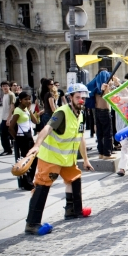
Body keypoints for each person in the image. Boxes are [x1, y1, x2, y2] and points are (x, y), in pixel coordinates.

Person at [24, 83, 94, 235]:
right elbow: (46, 129)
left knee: (74, 178)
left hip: (67, 159)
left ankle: (73, 211)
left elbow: (81, 138)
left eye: (84, 97)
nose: (81, 100)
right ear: (70, 98)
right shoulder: (62, 113)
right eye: (78, 97)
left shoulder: (81, 114)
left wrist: (86, 160)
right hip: (51, 158)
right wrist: (36, 145)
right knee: (42, 186)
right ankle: (32, 223)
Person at [9, 91, 40, 190]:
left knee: (34, 158)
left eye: (29, 99)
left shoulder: (26, 109)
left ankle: (30, 180)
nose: (28, 101)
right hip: (22, 137)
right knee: (25, 160)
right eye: (25, 99)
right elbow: (10, 127)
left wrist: (30, 110)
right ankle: (27, 183)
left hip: (29, 136)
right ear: (20, 100)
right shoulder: (18, 111)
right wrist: (16, 138)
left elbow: (35, 121)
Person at [87, 68, 115, 160]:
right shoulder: (103, 87)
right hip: (105, 111)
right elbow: (109, 96)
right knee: (107, 133)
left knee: (100, 134)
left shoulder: (95, 86)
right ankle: (107, 154)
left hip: (97, 111)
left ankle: (101, 153)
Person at [0, 81, 16, 156]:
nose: (5, 87)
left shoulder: (11, 95)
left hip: (9, 118)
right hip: (4, 118)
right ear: (1, 87)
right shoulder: (4, 95)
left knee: (4, 135)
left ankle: (7, 150)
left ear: (9, 87)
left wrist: (8, 119)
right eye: (3, 86)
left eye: (6, 86)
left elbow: (12, 107)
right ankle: (8, 149)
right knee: (5, 134)